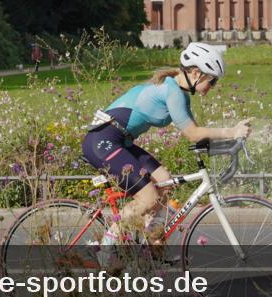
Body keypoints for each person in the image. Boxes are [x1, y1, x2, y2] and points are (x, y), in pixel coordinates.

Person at [82, 42, 250, 259]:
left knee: (164, 179)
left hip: (120, 141)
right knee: (148, 198)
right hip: (102, 141)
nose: (213, 86)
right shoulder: (172, 92)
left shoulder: (179, 93)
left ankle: (153, 241)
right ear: (197, 73)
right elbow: (193, 134)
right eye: (213, 80)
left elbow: (199, 136)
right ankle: (105, 247)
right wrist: (231, 131)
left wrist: (229, 145)